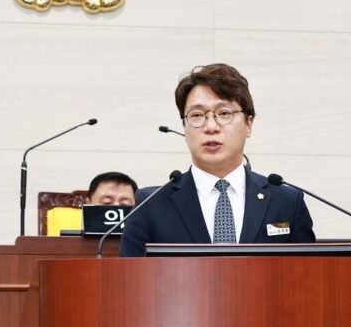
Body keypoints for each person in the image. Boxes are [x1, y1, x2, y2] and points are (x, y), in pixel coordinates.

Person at [120, 63, 315, 257]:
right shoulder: (150, 205)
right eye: (197, 115)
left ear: (248, 124)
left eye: (224, 113)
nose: (211, 127)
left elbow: (309, 273)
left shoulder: (287, 203)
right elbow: (130, 275)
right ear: (184, 127)